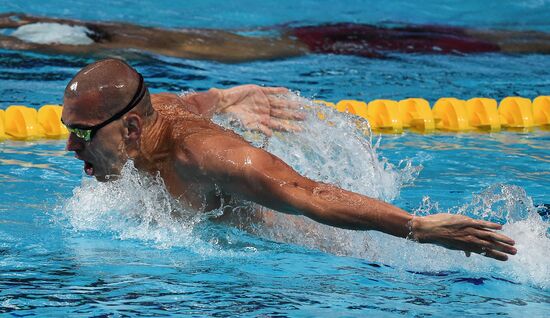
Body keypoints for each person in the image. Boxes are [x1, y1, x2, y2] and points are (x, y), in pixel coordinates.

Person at [61, 58, 517, 261]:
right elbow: (185, 101)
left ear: (131, 128)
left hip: (317, 244)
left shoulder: (210, 158)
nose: (70, 147)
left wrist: (416, 228)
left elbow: (308, 193)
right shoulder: (144, 119)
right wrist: (226, 98)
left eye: (80, 134)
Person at [1, 12, 550, 62]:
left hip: (311, 48)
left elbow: (19, 40)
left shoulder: (115, 47)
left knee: (496, 46)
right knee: (485, 40)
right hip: (300, 35)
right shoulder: (129, 32)